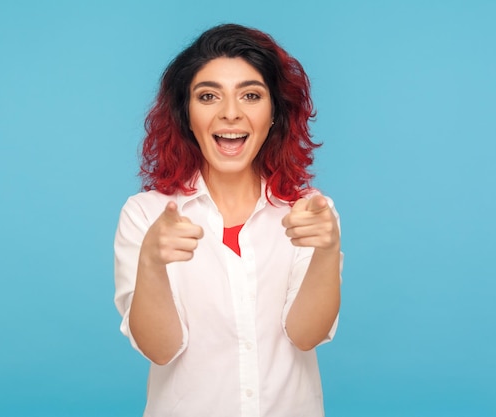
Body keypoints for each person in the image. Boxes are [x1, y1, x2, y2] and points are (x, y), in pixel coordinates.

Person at [114, 23, 343, 417]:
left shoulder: (311, 214)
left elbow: (306, 336)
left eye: (251, 95)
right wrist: (151, 261)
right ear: (186, 114)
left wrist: (328, 249)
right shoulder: (144, 214)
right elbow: (160, 350)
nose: (231, 113)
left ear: (275, 112)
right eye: (208, 96)